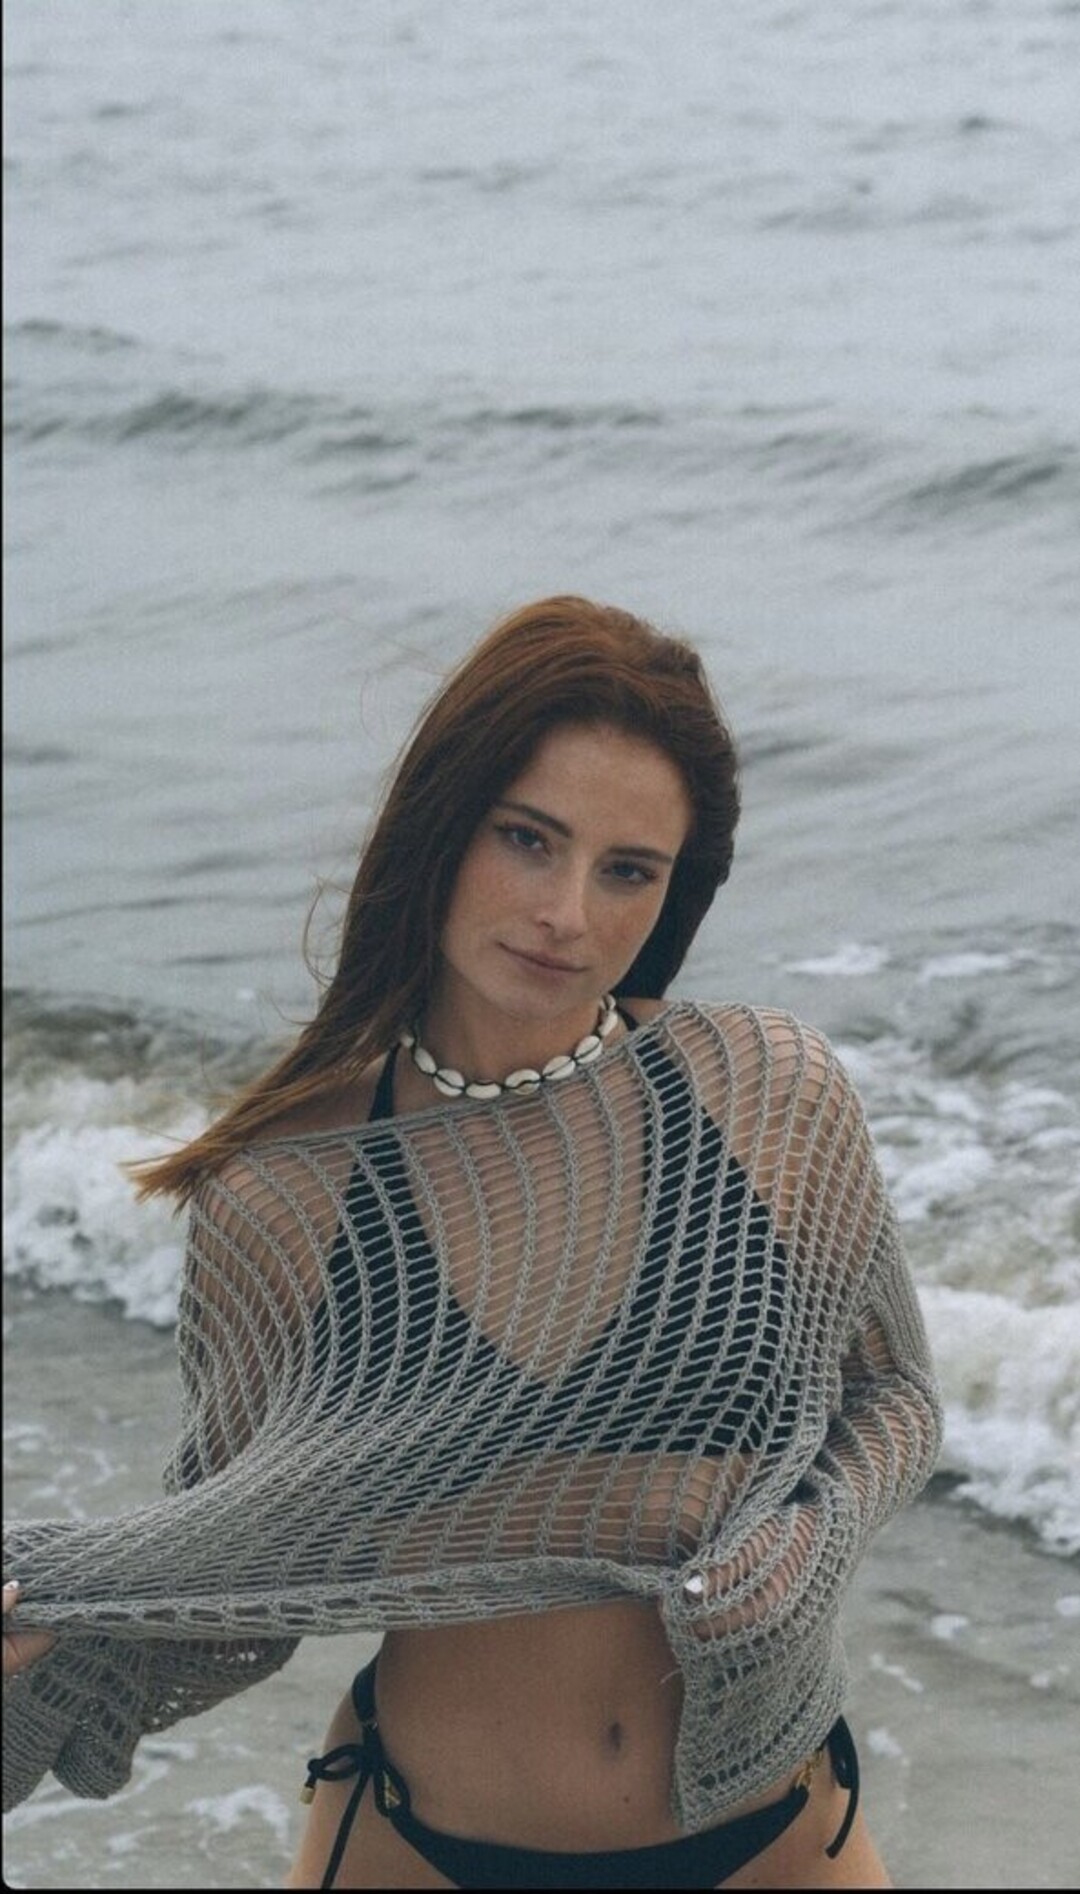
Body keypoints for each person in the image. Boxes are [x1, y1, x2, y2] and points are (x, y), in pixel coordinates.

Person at [2, 595, 942, 1890]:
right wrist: (46, 1632)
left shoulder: (765, 1092)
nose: (567, 912)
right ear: (443, 826)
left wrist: (813, 1535)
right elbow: (234, 1570)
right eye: (528, 838)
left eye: (628, 870)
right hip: (423, 1845)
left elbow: (894, 1392)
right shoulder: (283, 1193)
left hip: (772, 1833)